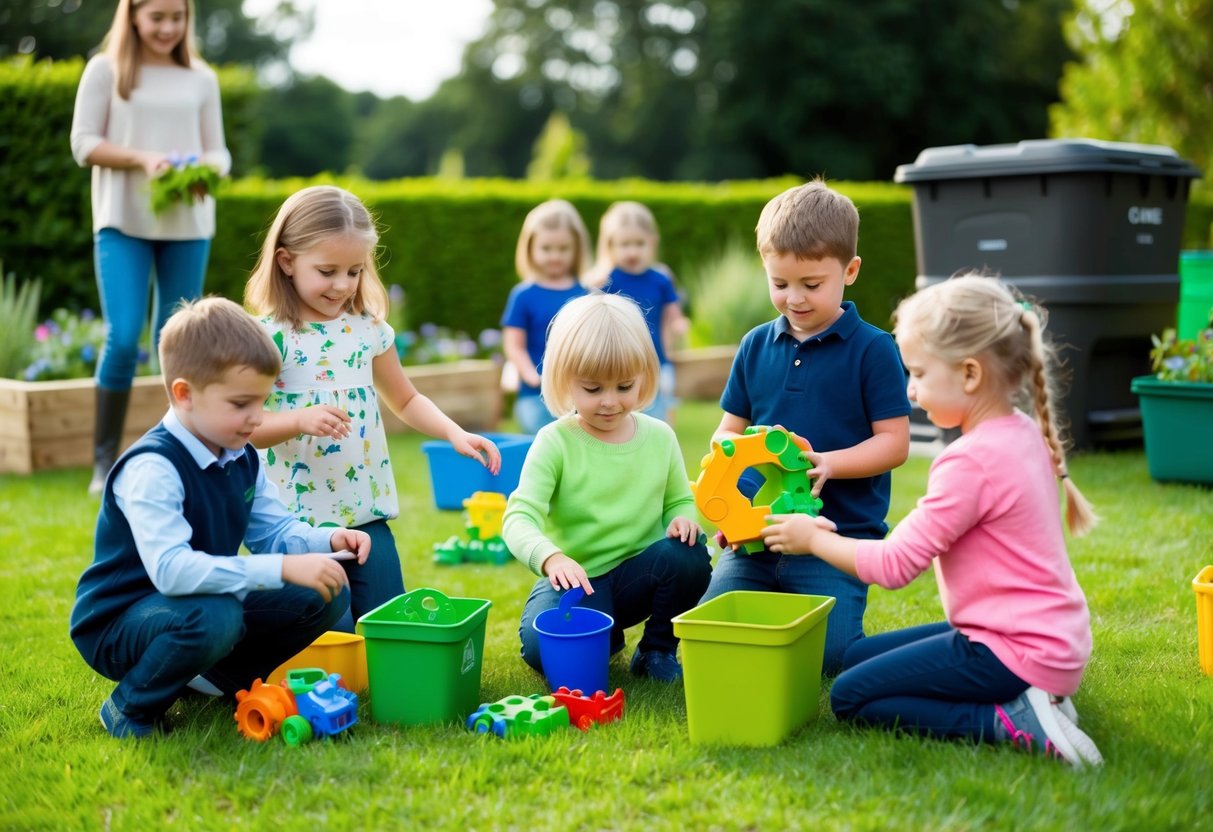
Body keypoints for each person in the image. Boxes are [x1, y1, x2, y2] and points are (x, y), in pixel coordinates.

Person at [760, 274, 1104, 767]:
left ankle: (1010, 718)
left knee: (850, 697)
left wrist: (811, 539)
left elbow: (895, 566)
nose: (911, 391)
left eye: (918, 373)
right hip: (1046, 641)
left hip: (1013, 650)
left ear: (969, 374)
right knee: (855, 659)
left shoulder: (971, 461)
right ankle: (1037, 696)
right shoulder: (1021, 431)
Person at [69, 297, 367, 739]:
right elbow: (172, 571)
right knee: (217, 614)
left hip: (197, 604)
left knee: (326, 591)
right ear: (184, 394)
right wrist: (283, 567)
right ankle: (129, 707)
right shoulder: (153, 468)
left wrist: (327, 541)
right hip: (120, 623)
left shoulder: (240, 454)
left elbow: (276, 532)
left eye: (262, 401)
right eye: (241, 403)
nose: (257, 418)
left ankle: (214, 682)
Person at [244, 185, 502, 630]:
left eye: (354, 271)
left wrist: (453, 432)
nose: (342, 285)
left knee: (388, 624)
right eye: (327, 271)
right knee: (328, 631)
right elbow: (244, 424)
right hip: (295, 524)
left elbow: (406, 398)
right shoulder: (268, 337)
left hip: (364, 514)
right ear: (287, 262)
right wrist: (298, 421)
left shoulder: (369, 331)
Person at [698, 179, 912, 675]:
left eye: (811, 285)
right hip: (756, 538)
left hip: (835, 541)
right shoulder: (755, 345)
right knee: (714, 635)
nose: (793, 298)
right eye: (779, 283)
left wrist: (827, 464)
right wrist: (736, 496)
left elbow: (894, 443)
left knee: (832, 656)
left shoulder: (873, 350)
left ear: (849, 271)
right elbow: (724, 436)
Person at [502, 293, 712, 682]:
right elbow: (519, 518)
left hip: (640, 576)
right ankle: (606, 634)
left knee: (689, 555)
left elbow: (680, 497)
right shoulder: (555, 441)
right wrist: (552, 559)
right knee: (537, 646)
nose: (610, 402)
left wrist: (683, 519)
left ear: (645, 376)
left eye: (624, 386)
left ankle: (656, 650)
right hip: (579, 580)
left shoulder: (660, 437)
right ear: (564, 380)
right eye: (593, 389)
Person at [70, 0, 231, 496]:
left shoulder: (201, 78)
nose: (167, 27)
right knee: (123, 338)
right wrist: (143, 158)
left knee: (178, 344)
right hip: (122, 221)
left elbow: (219, 151)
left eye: (176, 17)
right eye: (156, 17)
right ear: (133, 16)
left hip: (188, 224)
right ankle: (104, 461)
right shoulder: (105, 71)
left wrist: (206, 171)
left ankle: (178, 457)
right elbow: (83, 143)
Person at [586, 201, 688, 424]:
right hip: (620, 358)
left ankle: (660, 437)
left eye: (639, 244)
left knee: (658, 407)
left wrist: (678, 322)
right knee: (627, 407)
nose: (632, 251)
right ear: (610, 245)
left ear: (652, 242)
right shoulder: (606, 279)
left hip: (656, 358)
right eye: (624, 245)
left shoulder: (660, 279)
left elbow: (673, 310)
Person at [500, 199, 591, 434]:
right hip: (535, 395)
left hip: (579, 395)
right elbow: (513, 345)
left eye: (563, 249)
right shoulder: (523, 295)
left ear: (577, 249)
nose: (555, 256)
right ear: (530, 248)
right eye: (546, 248)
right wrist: (531, 375)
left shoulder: (585, 294)